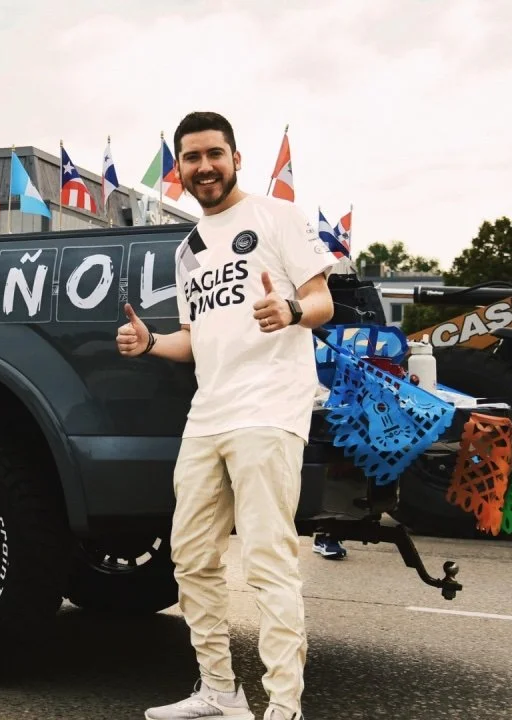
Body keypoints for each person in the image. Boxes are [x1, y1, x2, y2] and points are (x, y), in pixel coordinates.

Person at [118, 112, 336, 720]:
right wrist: (152, 344)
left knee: (268, 560)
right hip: (208, 413)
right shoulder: (188, 248)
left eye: (215, 154)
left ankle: (285, 707)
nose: (204, 167)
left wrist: (290, 309)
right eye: (192, 158)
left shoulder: (278, 217)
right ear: (180, 169)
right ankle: (220, 693)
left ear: (235, 157)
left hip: (270, 410)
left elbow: (322, 299)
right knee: (190, 557)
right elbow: (196, 336)